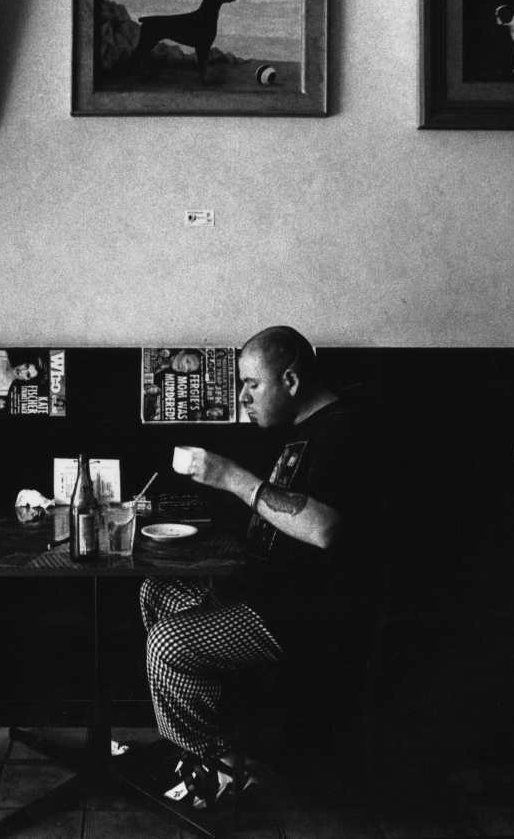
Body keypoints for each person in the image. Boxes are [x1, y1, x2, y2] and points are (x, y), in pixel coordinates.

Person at [140, 325, 370, 807]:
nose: (242, 396)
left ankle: (218, 771)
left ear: (290, 380)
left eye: (252, 385)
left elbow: (324, 528)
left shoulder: (343, 430)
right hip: (263, 595)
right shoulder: (301, 432)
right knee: (156, 591)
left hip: (304, 616)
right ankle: (220, 749)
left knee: (166, 645)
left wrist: (231, 478)